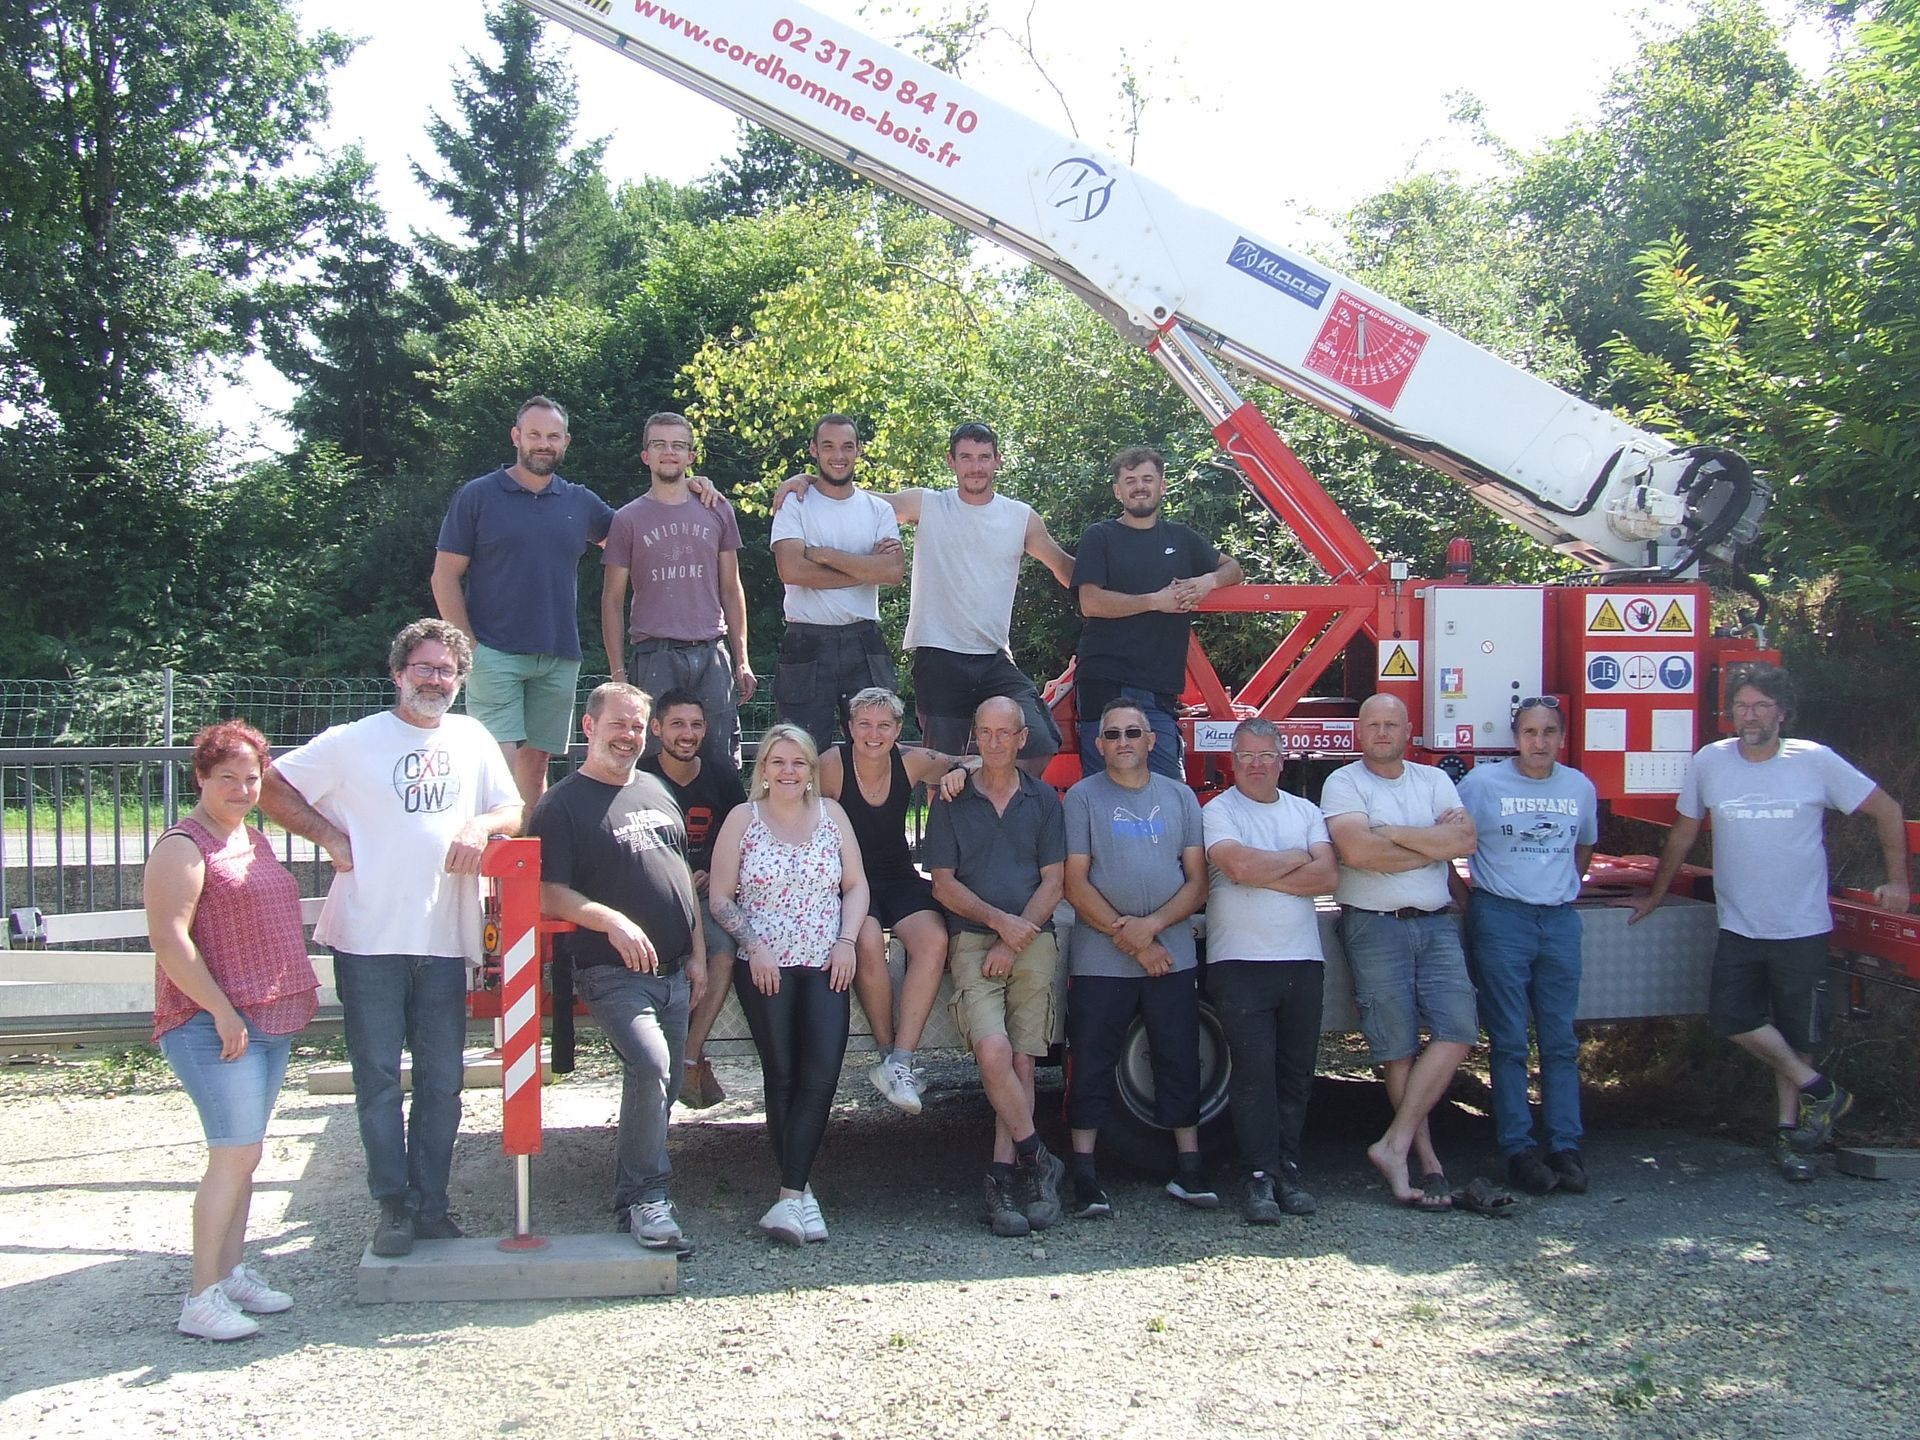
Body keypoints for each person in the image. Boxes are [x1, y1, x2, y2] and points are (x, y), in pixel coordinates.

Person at [260, 618, 522, 1256]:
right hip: (368, 936)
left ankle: (433, 1205)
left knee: (443, 1080)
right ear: (398, 672)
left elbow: (512, 808)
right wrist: (328, 837)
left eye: (447, 671)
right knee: (377, 1077)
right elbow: (272, 785)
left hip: (442, 938)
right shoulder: (353, 741)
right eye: (424, 668)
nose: (435, 680)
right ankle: (393, 1208)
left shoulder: (473, 737)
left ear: (460, 681)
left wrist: (481, 827)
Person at [1629, 663, 1909, 1181]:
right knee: (1731, 1018)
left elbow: (1887, 811)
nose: (1749, 715)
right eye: (1741, 706)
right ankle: (1823, 1091)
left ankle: (1790, 1136)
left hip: (1801, 924)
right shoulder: (1710, 761)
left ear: (1782, 712)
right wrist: (1656, 894)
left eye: (1760, 706)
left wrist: (1899, 882)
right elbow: (1682, 835)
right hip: (1740, 924)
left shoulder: (1815, 762)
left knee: (1794, 1033)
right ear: (1729, 713)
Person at [146, 721, 320, 1341]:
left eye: (252, 779)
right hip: (210, 1024)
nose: (243, 790)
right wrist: (219, 1010)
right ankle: (200, 1297)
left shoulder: (252, 837)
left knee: (247, 1154)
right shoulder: (182, 847)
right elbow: (169, 938)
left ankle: (231, 1272)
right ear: (201, 778)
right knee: (233, 1154)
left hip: (264, 1017)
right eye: (229, 779)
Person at [775, 421, 1074, 775]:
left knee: (1039, 738)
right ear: (951, 461)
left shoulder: (1021, 517)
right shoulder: (928, 504)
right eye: (966, 457)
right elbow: (849, 492)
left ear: (998, 461)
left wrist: (1114, 586)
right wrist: (807, 480)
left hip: (993, 657)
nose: (975, 466)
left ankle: (1001, 816)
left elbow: (1065, 569)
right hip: (939, 658)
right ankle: (946, 829)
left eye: (983, 457)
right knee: (940, 769)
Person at [530, 682, 705, 1255]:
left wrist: (699, 952)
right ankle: (643, 1200)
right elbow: (546, 892)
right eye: (618, 724)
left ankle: (643, 1187)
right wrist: (608, 920)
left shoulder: (656, 789)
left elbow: (681, 876)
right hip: (611, 972)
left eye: (637, 726)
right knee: (653, 1065)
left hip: (675, 971)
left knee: (667, 1080)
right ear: (588, 727)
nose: (627, 735)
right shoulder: (560, 805)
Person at [707, 724, 869, 1244]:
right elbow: (721, 899)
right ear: (763, 769)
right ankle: (798, 1196)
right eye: (777, 761)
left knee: (821, 1077)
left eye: (798, 762)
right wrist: (752, 946)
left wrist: (847, 941)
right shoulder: (742, 820)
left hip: (827, 962)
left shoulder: (833, 816)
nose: (788, 771)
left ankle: (789, 1198)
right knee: (782, 1077)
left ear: (810, 771)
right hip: (766, 965)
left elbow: (856, 885)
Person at [1319, 693, 1478, 1211]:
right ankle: (1425, 1163)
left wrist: (1393, 835)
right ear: (1357, 733)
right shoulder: (1343, 783)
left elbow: (1466, 840)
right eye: (1373, 725)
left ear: (1409, 731)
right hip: (1373, 927)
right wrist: (1431, 842)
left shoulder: (1433, 779)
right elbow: (1359, 852)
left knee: (1458, 1028)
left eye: (1392, 724)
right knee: (1397, 1045)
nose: (1382, 732)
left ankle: (1395, 1143)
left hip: (1435, 924)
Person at [924, 696, 1071, 1236]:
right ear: (975, 738)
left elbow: (1054, 881)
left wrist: (1014, 937)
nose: (993, 742)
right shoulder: (952, 799)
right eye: (983, 732)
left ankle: (1005, 1180)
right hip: (971, 939)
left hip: (1031, 940)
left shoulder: (1045, 801)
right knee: (993, 1052)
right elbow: (944, 884)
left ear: (1021, 738)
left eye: (1003, 733)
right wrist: (998, 924)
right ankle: (1038, 1155)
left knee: (1026, 1063)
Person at [1060, 699, 1212, 1217]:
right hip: (1102, 958)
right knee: (1092, 1062)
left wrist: (1154, 930)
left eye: (1132, 732)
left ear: (1152, 740)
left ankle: (1189, 1169)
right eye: (1111, 734)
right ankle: (1084, 1174)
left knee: (1179, 1055)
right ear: (1098, 744)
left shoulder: (1181, 797)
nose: (1122, 741)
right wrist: (1138, 942)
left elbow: (1197, 883)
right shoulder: (1081, 798)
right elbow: (1075, 884)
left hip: (1172, 954)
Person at [432, 395, 614, 808]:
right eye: (534, 434)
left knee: (535, 769)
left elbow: (634, 535)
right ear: (516, 436)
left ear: (566, 442)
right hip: (493, 653)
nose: (543, 443)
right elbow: (444, 575)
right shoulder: (477, 495)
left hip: (558, 655)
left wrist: (691, 487)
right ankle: (492, 867)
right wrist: (469, 648)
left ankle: (528, 866)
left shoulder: (579, 501)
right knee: (496, 767)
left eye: (553, 436)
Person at [1455, 699, 1598, 1197]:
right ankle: (1518, 1149)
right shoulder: (1481, 785)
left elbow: (1584, 847)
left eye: (1550, 732)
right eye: (1531, 732)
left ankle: (1565, 1145)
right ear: (1515, 737)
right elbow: (1446, 843)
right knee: (1511, 1040)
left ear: (1562, 737)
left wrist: (1562, 889)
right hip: (1501, 917)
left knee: (1560, 1041)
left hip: (1558, 921)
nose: (1540, 742)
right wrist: (1469, 903)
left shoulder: (1579, 787)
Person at [1203, 717, 1339, 1223]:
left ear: (1283, 760)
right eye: (1246, 757)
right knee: (1254, 1076)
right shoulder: (1218, 811)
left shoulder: (1305, 809)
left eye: (1266, 756)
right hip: (1239, 963)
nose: (1256, 765)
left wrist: (1266, 871)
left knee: (1295, 1074)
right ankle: (1258, 1178)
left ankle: (1289, 1168)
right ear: (1232, 763)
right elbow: (1238, 868)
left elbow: (1327, 875)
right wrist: (1294, 861)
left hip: (1302, 962)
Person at [817, 686, 977, 1114]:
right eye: (864, 725)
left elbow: (967, 763)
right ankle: (887, 1054)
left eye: (883, 725)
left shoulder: (912, 760)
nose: (874, 734)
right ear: (849, 728)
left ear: (897, 729)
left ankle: (902, 1061)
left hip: (897, 876)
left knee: (933, 941)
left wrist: (960, 771)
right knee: (867, 941)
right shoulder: (830, 766)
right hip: (849, 882)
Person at [1071, 446, 1242, 779]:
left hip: (1159, 688)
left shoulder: (1182, 538)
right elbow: (1090, 602)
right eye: (1130, 480)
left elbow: (1233, 569)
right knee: (1102, 790)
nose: (1139, 486)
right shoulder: (1100, 536)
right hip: (1105, 682)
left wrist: (1208, 580)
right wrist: (1154, 600)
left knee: (1168, 789)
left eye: (1147, 479)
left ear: (1162, 486)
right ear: (1117, 490)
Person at [601, 412, 755, 769]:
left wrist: (742, 658)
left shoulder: (716, 509)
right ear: (646, 456)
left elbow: (732, 589)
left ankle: (722, 827)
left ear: (691, 456)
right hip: (655, 653)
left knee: (720, 760)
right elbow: (611, 600)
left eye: (678, 446)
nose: (669, 452)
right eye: (659, 445)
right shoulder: (628, 519)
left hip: (711, 651)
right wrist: (617, 673)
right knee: (655, 758)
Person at [637, 688, 748, 1110]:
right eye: (678, 724)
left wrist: (718, 874)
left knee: (723, 949)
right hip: (654, 900)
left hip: (708, 896)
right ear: (657, 728)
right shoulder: (640, 777)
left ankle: (687, 1057)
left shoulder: (720, 777)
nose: (688, 733)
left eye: (696, 725)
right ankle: (656, 1055)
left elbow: (744, 837)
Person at [770, 415, 905, 749]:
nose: (838, 455)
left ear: (859, 450)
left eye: (847, 446)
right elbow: (792, 571)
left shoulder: (878, 509)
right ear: (814, 449)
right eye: (828, 446)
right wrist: (864, 568)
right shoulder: (794, 502)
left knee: (873, 750)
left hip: (864, 639)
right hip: (806, 639)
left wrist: (826, 555)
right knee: (800, 750)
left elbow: (892, 572)